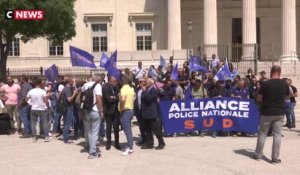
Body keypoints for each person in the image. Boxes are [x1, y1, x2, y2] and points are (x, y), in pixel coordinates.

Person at [253, 65, 290, 164]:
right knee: (277, 135)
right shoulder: (284, 84)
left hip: (267, 112)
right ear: (280, 72)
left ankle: (258, 154)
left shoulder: (266, 84)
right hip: (279, 112)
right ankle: (275, 158)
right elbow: (287, 97)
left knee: (262, 134)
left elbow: (259, 98)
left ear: (271, 72)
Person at [81, 73, 103, 159]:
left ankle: (90, 146)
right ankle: (93, 152)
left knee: (89, 131)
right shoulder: (98, 86)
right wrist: (101, 111)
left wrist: (81, 110)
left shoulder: (85, 85)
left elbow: (81, 97)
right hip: (95, 110)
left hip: (86, 110)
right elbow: (98, 98)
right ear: (98, 80)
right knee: (94, 132)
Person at [141, 78, 165, 150]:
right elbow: (143, 99)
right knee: (147, 130)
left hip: (152, 113)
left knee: (156, 129)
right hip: (145, 112)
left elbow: (149, 99)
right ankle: (149, 143)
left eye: (147, 82)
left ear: (151, 83)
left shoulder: (154, 90)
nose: (145, 83)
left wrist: (144, 91)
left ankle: (161, 143)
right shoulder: (146, 90)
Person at [26, 78, 49, 143]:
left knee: (33, 123)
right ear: (40, 83)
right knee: (45, 122)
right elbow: (45, 100)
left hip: (33, 108)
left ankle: (34, 137)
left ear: (34, 83)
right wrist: (47, 105)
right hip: (41, 108)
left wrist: (30, 103)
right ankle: (46, 136)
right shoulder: (42, 91)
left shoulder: (31, 91)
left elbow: (26, 100)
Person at [102, 76, 121, 150]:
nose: (115, 82)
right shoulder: (105, 87)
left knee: (116, 128)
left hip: (116, 111)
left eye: (116, 81)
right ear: (110, 81)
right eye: (114, 81)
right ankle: (108, 143)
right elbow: (107, 99)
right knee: (109, 128)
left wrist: (114, 97)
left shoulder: (116, 87)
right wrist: (115, 97)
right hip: (108, 111)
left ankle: (117, 143)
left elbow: (119, 96)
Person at [119, 76, 136, 156]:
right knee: (128, 129)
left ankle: (130, 148)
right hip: (131, 109)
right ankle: (130, 145)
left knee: (127, 130)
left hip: (125, 110)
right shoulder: (131, 89)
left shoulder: (123, 89)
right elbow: (134, 97)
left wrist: (121, 107)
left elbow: (122, 99)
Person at [61, 79, 78, 144]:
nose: (72, 81)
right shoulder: (67, 89)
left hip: (65, 107)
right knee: (67, 123)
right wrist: (74, 94)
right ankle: (66, 138)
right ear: (68, 82)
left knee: (66, 123)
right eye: (71, 81)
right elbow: (69, 99)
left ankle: (65, 136)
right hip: (68, 108)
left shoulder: (65, 88)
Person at [134, 78, 146, 145]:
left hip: (145, 110)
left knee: (146, 126)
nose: (140, 82)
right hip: (138, 110)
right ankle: (143, 139)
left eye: (141, 81)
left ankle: (147, 139)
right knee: (141, 126)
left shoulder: (146, 89)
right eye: (139, 81)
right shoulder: (137, 90)